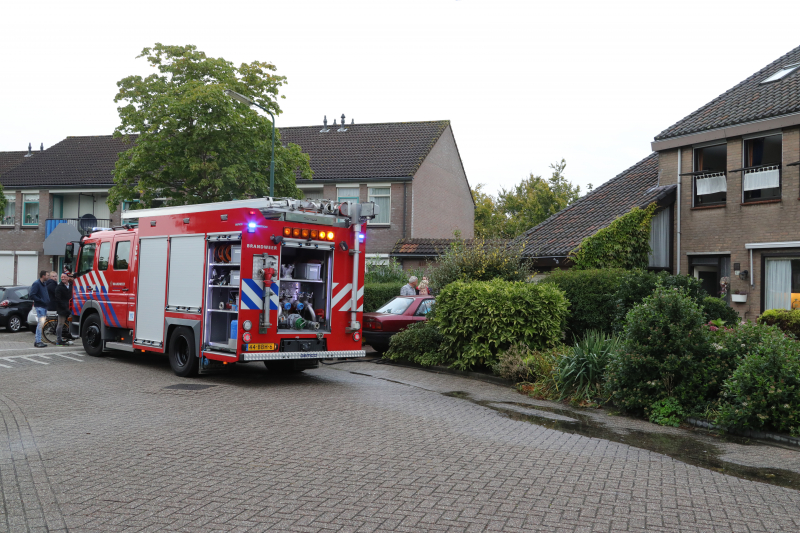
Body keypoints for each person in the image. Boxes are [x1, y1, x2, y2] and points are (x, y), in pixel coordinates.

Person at [29, 270, 50, 348]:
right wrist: (41, 300)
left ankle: (38, 340)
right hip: (40, 307)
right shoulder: (37, 283)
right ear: (43, 276)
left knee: (41, 324)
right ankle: (38, 341)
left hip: (44, 306)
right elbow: (32, 295)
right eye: (47, 275)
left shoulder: (44, 284)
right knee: (40, 324)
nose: (48, 277)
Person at [54, 273, 73, 346]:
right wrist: (65, 307)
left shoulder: (71, 285)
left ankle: (69, 337)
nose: (63, 278)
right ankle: (58, 340)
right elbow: (58, 299)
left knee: (70, 323)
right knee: (60, 324)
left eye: (64, 277)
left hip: (70, 307)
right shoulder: (59, 287)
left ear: (68, 278)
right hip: (62, 309)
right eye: (62, 277)